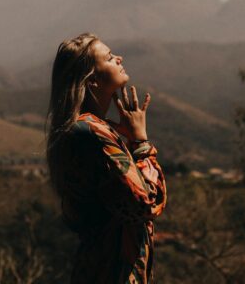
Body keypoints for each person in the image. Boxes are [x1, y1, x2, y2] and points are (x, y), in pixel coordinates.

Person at [46, 32, 167, 283]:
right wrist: (141, 143)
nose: (119, 58)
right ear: (92, 81)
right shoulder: (92, 133)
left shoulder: (87, 130)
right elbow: (146, 204)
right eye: (110, 58)